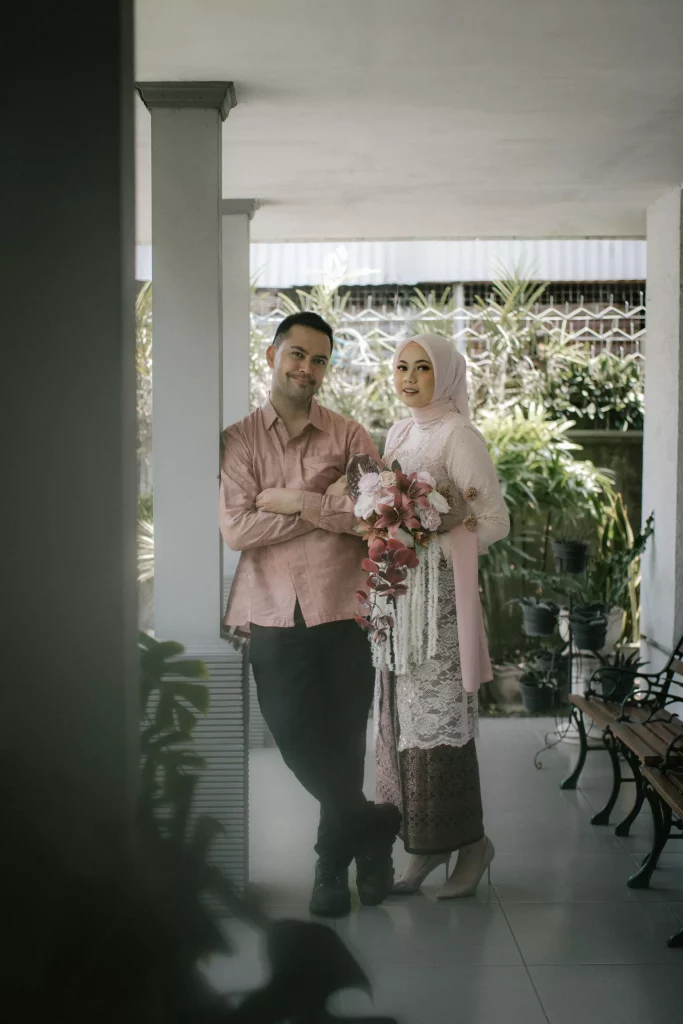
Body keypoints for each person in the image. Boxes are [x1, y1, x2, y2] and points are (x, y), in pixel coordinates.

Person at [220, 311, 401, 918]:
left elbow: (371, 516)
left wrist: (294, 501)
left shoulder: (350, 436)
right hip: (272, 610)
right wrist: (324, 508)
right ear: (272, 355)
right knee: (295, 736)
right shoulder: (240, 440)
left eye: (319, 359)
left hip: (344, 607)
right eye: (297, 354)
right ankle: (372, 827)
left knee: (344, 741)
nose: (307, 368)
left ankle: (332, 867)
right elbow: (237, 528)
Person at [375, 332, 510, 897]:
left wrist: (433, 529)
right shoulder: (399, 432)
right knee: (407, 725)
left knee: (440, 724)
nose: (409, 378)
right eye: (402, 367)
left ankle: (473, 847)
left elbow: (495, 520)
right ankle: (425, 849)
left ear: (446, 375)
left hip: (441, 610)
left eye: (423, 367)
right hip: (400, 603)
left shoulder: (459, 434)